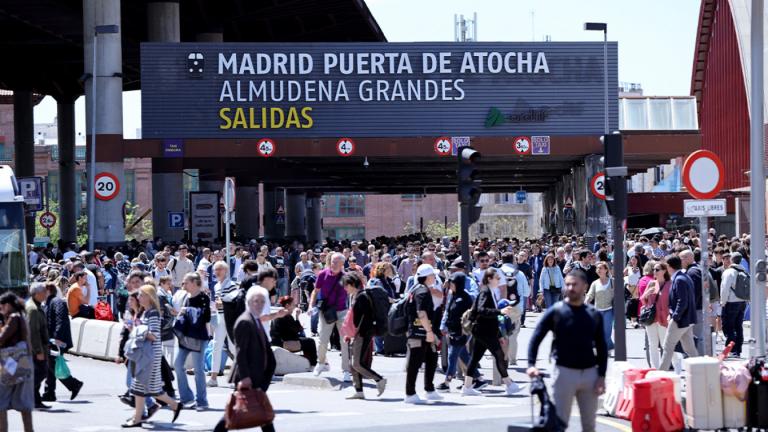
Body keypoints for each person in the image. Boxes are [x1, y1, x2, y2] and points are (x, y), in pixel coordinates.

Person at [527, 269, 608, 432]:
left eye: (575, 284)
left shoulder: (594, 314)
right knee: (559, 424)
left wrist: (601, 375)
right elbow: (536, 337)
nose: (570, 288)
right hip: (563, 373)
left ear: (584, 286)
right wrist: (531, 364)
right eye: (568, 284)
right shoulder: (556, 311)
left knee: (589, 425)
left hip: (589, 375)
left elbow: (602, 347)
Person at [212, 287, 276, 432]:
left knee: (260, 415)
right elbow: (240, 352)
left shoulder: (256, 320)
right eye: (256, 301)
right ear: (248, 302)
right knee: (252, 414)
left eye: (262, 302)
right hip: (248, 376)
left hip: (258, 375)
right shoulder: (245, 321)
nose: (259, 304)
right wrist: (245, 377)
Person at [122, 285, 182, 428]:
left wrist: (137, 331)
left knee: (141, 387)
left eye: (142, 295)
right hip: (146, 355)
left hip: (150, 356)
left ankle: (138, 418)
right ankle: (174, 405)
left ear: (149, 297)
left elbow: (154, 335)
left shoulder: (153, 313)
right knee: (146, 388)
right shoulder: (146, 312)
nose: (139, 298)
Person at [463, 269, 526, 397]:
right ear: (490, 278)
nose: (499, 280)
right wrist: (500, 311)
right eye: (497, 278)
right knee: (499, 354)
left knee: (475, 358)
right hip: (484, 330)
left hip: (483, 330)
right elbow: (481, 310)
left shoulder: (489, 291)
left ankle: (467, 387)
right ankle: (509, 384)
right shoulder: (486, 291)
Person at [342, 273, 386, 400]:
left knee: (357, 363)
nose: (345, 289)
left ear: (351, 284)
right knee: (353, 363)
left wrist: (352, 332)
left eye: (346, 286)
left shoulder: (362, 297)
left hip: (362, 333)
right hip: (358, 333)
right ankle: (359, 391)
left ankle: (379, 379)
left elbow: (358, 319)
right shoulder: (356, 296)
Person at [404, 264, 443, 404]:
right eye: (433, 275)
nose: (435, 277)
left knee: (432, 358)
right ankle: (410, 393)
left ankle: (429, 389)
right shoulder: (422, 291)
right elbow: (421, 313)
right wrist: (429, 332)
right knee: (415, 362)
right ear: (427, 277)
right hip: (419, 331)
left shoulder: (416, 289)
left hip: (420, 330)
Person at [174, 272, 211, 411]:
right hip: (185, 336)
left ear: (195, 283)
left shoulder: (203, 298)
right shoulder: (186, 297)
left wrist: (188, 311)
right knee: (177, 365)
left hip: (198, 337)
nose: (183, 284)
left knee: (198, 370)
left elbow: (206, 317)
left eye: (186, 282)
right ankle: (186, 398)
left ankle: (202, 401)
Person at [42, 281, 83, 402]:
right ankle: (49, 393)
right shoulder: (49, 303)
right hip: (52, 340)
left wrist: (56, 339)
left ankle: (74, 384)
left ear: (48, 290)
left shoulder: (57, 302)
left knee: (52, 365)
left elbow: (61, 321)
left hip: (57, 340)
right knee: (50, 366)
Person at [312, 253, 351, 381]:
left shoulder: (345, 277)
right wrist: (310, 306)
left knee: (344, 341)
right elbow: (316, 291)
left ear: (342, 264)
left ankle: (346, 369)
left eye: (336, 262)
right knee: (323, 339)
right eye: (332, 261)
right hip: (326, 311)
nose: (333, 264)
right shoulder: (323, 274)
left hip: (342, 312)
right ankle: (321, 363)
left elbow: (353, 293)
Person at [0, 293, 34, 432]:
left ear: (7, 305)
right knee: (24, 404)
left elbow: (2, 338)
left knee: (1, 403)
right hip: (22, 362)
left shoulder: (14, 318)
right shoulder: (22, 317)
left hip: (10, 364)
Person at [659, 256, 699, 371]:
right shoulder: (683, 277)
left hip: (680, 320)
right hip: (686, 319)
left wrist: (675, 317)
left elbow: (682, 302)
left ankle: (661, 374)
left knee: (667, 347)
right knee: (690, 349)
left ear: (669, 267)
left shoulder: (679, 279)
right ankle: (700, 372)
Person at [208, 262, 238, 387]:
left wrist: (223, 302)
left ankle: (236, 376)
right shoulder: (216, 286)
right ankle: (213, 377)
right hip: (220, 317)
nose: (217, 272)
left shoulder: (231, 285)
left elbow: (235, 300)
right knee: (216, 346)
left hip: (230, 318)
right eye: (215, 270)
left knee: (232, 347)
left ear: (225, 271)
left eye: (219, 269)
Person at [270, 296, 317, 367]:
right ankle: (313, 364)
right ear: (287, 305)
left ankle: (307, 362)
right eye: (293, 305)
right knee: (310, 342)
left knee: (305, 340)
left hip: (278, 342)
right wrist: (297, 318)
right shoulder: (286, 316)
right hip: (282, 343)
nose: (294, 307)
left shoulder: (281, 314)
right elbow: (297, 331)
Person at [640, 261, 670, 369]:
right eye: (654, 269)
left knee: (664, 344)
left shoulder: (669, 284)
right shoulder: (651, 283)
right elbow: (643, 300)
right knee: (652, 344)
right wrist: (646, 294)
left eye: (657, 270)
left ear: (664, 271)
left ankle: (666, 367)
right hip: (651, 318)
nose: (654, 272)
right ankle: (655, 368)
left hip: (664, 318)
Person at [24, 283, 50, 409]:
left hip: (39, 347)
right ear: (37, 294)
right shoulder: (33, 309)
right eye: (44, 292)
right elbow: (33, 331)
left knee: (37, 373)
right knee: (41, 372)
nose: (46, 294)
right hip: (35, 349)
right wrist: (38, 351)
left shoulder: (36, 306)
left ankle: (35, 400)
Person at [720, 252, 748, 357]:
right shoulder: (744, 271)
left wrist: (723, 302)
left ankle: (731, 349)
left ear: (732, 259)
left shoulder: (729, 272)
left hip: (731, 302)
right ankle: (738, 350)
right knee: (738, 326)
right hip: (742, 302)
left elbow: (725, 289)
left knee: (728, 326)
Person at [585, 261, 614, 351]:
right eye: (597, 268)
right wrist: (586, 302)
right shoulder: (595, 283)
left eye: (601, 268)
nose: (598, 270)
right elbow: (590, 295)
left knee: (607, 332)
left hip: (609, 310)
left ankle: (605, 348)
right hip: (597, 310)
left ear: (606, 270)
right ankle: (608, 346)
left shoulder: (612, 282)